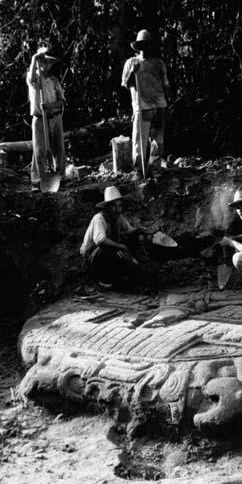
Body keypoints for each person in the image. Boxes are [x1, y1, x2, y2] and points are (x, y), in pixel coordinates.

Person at [80, 186, 149, 290]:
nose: (118, 209)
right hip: (93, 258)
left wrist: (140, 231)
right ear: (107, 207)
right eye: (114, 206)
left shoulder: (118, 217)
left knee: (132, 239)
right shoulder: (99, 218)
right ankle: (101, 279)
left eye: (120, 206)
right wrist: (122, 246)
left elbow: (130, 231)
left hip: (110, 251)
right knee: (106, 247)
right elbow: (100, 240)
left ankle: (120, 274)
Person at [121, 29, 170, 174]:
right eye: (142, 45)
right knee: (139, 141)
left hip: (159, 105)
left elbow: (166, 85)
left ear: (150, 45)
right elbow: (126, 83)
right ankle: (138, 170)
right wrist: (132, 71)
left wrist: (163, 103)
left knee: (157, 140)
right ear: (138, 47)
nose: (145, 48)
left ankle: (155, 168)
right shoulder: (131, 62)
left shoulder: (158, 63)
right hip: (142, 107)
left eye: (147, 44)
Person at [26, 46, 66, 190]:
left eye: (50, 63)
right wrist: (34, 59)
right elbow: (31, 79)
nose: (47, 65)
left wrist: (50, 106)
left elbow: (62, 101)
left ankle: (60, 176)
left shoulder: (54, 80)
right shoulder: (35, 78)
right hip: (39, 119)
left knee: (59, 148)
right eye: (44, 62)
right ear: (40, 62)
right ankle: (37, 181)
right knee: (40, 150)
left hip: (55, 118)